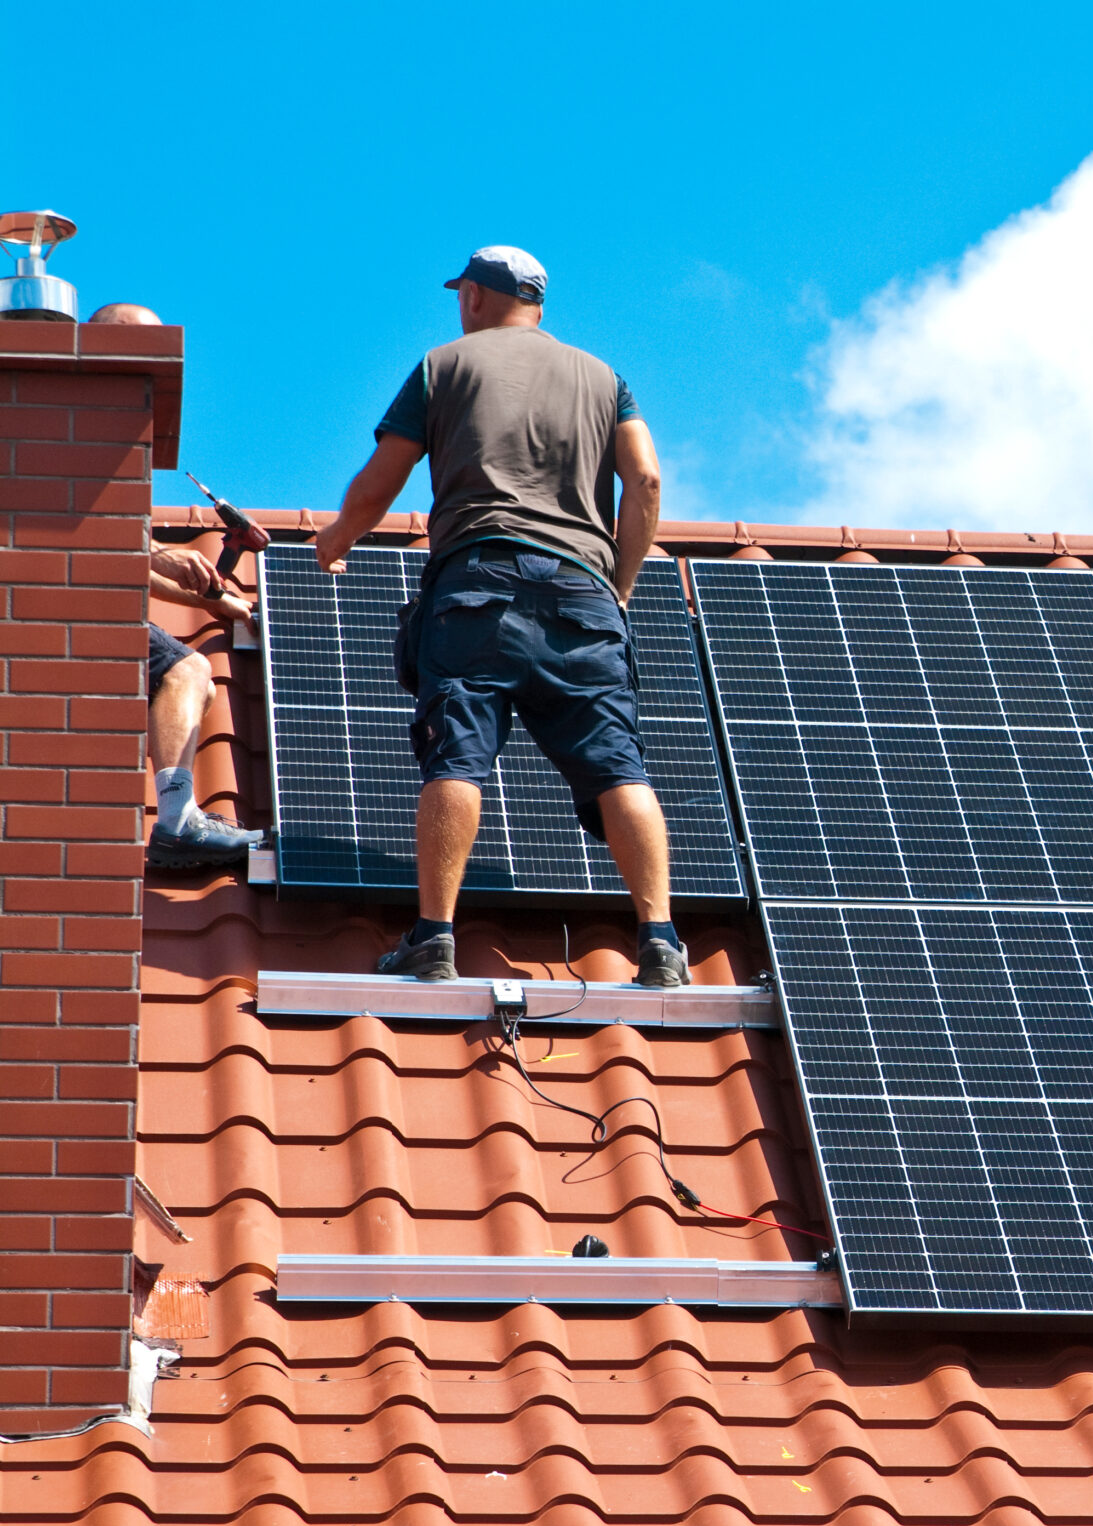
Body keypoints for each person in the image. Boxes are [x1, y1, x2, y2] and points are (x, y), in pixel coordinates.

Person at [310, 246, 681, 986]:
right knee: (617, 763)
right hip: (583, 592)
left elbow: (385, 476)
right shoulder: (607, 379)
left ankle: (435, 936)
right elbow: (643, 477)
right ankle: (661, 942)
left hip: (477, 584)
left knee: (457, 756)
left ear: (476, 298)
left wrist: (337, 538)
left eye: (462, 295)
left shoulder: (443, 366)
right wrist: (620, 583)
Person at [92, 303, 271, 869]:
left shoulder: (113, 444)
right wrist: (165, 555)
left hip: (81, 596)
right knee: (189, 669)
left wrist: (236, 607)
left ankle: (179, 817)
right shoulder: (83, 432)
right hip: (56, 604)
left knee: (204, 686)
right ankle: (176, 825)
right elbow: (87, 538)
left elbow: (123, 566)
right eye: (142, 345)